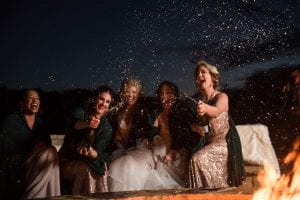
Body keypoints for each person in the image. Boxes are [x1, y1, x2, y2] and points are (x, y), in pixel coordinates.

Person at [188, 61, 244, 189]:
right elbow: (191, 124)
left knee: (197, 160)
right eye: (197, 74)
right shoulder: (198, 101)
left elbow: (217, 110)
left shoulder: (222, 97)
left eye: (203, 72)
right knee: (193, 158)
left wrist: (205, 108)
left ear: (213, 77)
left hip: (223, 146)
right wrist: (196, 128)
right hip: (208, 144)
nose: (199, 75)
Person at [0, 89, 60, 200]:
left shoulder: (42, 123)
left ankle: (53, 197)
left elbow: (49, 142)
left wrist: (41, 147)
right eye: (30, 98)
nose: (34, 101)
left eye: (37, 98)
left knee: (51, 153)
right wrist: (31, 148)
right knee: (50, 152)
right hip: (18, 164)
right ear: (21, 103)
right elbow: (5, 148)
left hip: (38, 161)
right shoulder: (12, 120)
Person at [59, 86, 114, 194]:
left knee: (100, 169)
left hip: (89, 160)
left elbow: (98, 153)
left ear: (109, 106)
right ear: (95, 99)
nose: (103, 104)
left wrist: (89, 151)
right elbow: (75, 125)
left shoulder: (107, 127)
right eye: (101, 99)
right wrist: (87, 123)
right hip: (68, 159)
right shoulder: (80, 111)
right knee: (84, 169)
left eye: (107, 102)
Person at [108, 78, 153, 191]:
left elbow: (147, 133)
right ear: (122, 93)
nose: (130, 95)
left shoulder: (142, 112)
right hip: (118, 151)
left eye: (134, 92)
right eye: (127, 92)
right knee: (118, 164)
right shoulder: (116, 111)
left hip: (137, 151)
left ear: (138, 94)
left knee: (128, 163)